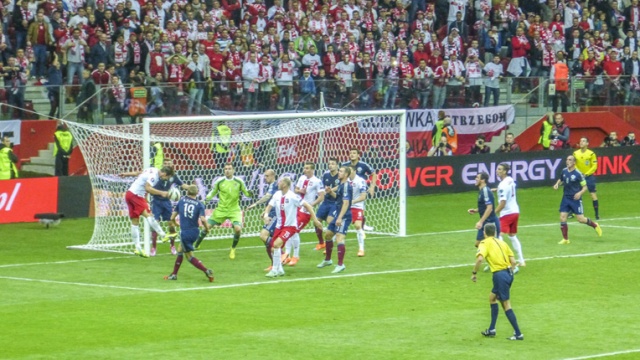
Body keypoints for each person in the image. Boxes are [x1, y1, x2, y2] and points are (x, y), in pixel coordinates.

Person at [471, 223, 524, 341]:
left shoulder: (484, 243)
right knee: (492, 298)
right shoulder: (502, 243)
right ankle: (492, 329)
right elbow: (513, 262)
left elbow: (480, 259)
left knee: (506, 304)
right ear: (494, 233)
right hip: (508, 274)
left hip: (499, 276)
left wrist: (474, 273)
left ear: (484, 233)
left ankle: (518, 333)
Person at [263, 177, 322, 278]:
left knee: (276, 245)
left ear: (285, 185)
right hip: (279, 226)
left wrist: (315, 220)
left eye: (280, 181)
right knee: (273, 248)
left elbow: (308, 206)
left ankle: (274, 270)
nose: (278, 182)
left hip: (289, 227)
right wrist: (265, 215)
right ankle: (280, 270)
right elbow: (269, 205)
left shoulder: (293, 196)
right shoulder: (277, 194)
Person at [194, 163, 253, 259]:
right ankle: (196, 245)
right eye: (226, 169)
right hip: (221, 210)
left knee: (238, 229)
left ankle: (233, 248)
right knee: (206, 227)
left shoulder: (239, 181)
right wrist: (205, 201)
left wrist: (250, 194)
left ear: (233, 170)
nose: (227, 170)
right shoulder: (219, 181)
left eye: (229, 169)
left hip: (234, 210)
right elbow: (212, 192)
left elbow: (246, 192)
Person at [164, 185, 214, 282]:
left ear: (187, 192)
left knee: (189, 257)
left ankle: (206, 270)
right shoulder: (199, 204)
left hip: (185, 232)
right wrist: (207, 229)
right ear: (197, 193)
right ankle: (174, 274)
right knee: (180, 249)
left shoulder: (181, 201)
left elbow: (172, 218)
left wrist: (175, 223)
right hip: (195, 232)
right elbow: (203, 219)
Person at [120, 166, 173, 257]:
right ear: (164, 174)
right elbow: (148, 188)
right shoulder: (155, 176)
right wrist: (162, 193)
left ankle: (138, 248)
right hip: (136, 195)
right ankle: (163, 235)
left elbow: (139, 173)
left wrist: (127, 174)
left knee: (135, 222)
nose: (166, 179)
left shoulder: (153, 169)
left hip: (129, 194)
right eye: (167, 177)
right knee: (149, 215)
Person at [553, 155, 603, 244]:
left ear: (574, 163)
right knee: (562, 217)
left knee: (580, 219)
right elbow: (560, 179)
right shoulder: (564, 171)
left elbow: (585, 187)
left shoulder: (578, 174)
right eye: (567, 159)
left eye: (570, 160)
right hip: (565, 198)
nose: (567, 161)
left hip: (575, 199)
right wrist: (557, 184)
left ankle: (595, 225)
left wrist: (579, 193)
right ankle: (565, 239)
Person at [283, 162, 325, 266]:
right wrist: (300, 190)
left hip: (305, 211)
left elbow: (321, 196)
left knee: (295, 231)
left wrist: (311, 205)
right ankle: (287, 255)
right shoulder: (301, 178)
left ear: (312, 170)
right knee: (289, 229)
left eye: (307, 168)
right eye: (304, 168)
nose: (304, 170)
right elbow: (296, 190)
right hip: (296, 207)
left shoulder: (317, 181)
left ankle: (296, 256)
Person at [149, 159, 189, 256]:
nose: (167, 165)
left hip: (167, 202)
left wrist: (191, 188)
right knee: (155, 224)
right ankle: (153, 247)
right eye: (165, 164)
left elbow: (182, 185)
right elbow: (149, 188)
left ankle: (172, 246)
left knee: (171, 224)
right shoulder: (156, 176)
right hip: (156, 202)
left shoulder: (173, 176)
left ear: (172, 165)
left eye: (169, 163)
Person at [317, 166, 353, 274]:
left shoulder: (346, 186)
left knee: (339, 237)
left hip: (344, 216)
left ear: (346, 174)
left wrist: (340, 217)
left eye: (341, 171)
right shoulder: (341, 185)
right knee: (328, 234)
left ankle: (340, 265)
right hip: (338, 214)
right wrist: (330, 192)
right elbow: (338, 198)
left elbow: (346, 203)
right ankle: (328, 260)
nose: (339, 172)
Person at [246, 169, 279, 271]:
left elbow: (268, 197)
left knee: (263, 235)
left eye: (267, 176)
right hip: (271, 213)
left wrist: (256, 204)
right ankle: (275, 265)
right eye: (264, 176)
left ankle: (282, 255)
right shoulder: (271, 186)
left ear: (273, 175)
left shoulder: (276, 185)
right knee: (268, 242)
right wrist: (265, 212)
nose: (265, 178)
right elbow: (271, 202)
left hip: (276, 215)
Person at [494, 163, 525, 268]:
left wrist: (493, 213)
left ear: (505, 171)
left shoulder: (502, 185)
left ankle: (506, 260)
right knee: (512, 236)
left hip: (507, 213)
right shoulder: (510, 180)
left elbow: (502, 203)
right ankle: (521, 260)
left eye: (499, 169)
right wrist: (495, 190)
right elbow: (509, 190)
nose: (497, 171)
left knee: (499, 235)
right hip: (515, 211)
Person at [343, 147, 376, 231]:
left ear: (358, 155)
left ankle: (362, 225)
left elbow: (374, 174)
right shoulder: (345, 165)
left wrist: (372, 187)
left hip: (360, 189)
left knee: (360, 207)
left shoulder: (363, 165)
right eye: (351, 153)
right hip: (348, 189)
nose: (352, 155)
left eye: (354, 153)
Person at [467, 172, 500, 248]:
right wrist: (476, 210)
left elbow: (489, 207)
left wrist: (480, 222)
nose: (476, 179)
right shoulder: (482, 191)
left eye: (477, 178)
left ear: (483, 180)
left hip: (490, 222)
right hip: (486, 221)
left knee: (488, 245)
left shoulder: (485, 191)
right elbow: (485, 206)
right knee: (478, 244)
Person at [314, 158, 341, 250]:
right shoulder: (325, 175)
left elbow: (341, 186)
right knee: (316, 221)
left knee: (330, 221)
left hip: (335, 202)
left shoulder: (340, 175)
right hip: (326, 201)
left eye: (333, 164)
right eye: (329, 164)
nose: (330, 165)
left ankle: (331, 241)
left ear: (337, 165)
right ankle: (321, 243)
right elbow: (322, 187)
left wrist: (331, 190)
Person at [573, 138, 600, 220]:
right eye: (580, 141)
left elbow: (594, 166)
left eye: (583, 141)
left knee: (593, 195)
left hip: (589, 177)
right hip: (579, 177)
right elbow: (574, 164)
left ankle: (597, 214)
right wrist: (579, 173)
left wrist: (586, 173)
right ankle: (572, 212)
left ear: (587, 143)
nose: (581, 142)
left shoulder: (591, 154)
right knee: (575, 194)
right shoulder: (575, 153)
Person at [348, 165, 369, 257]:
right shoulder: (345, 180)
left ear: (355, 171)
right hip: (346, 206)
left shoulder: (360, 181)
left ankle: (361, 249)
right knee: (336, 224)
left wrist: (353, 201)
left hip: (357, 206)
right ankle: (328, 246)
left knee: (357, 226)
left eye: (350, 170)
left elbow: (363, 196)